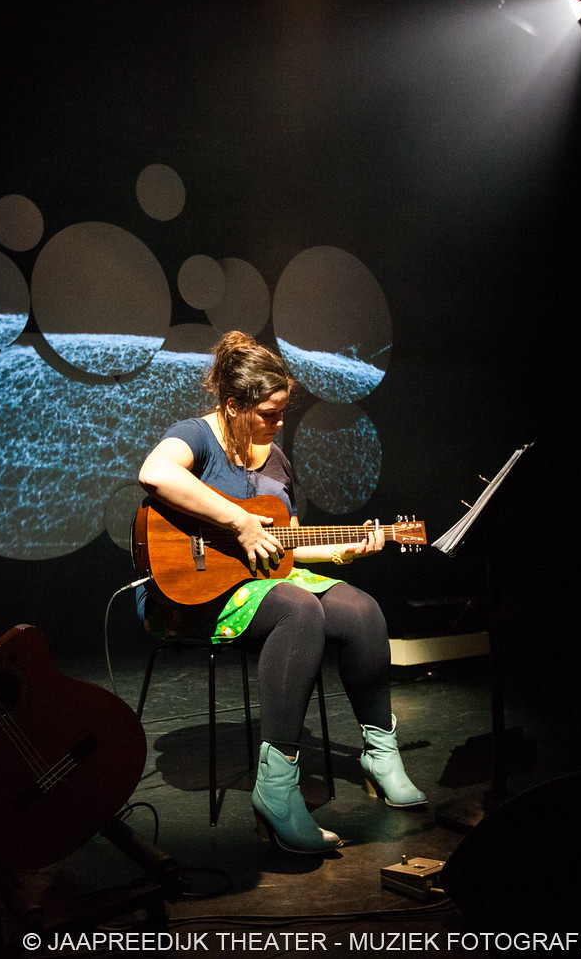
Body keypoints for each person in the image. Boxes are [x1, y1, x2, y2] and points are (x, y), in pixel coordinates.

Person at [136, 331, 424, 853]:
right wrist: (238, 520)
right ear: (233, 405)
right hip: (195, 594)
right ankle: (276, 788)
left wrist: (344, 551)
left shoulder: (274, 459)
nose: (278, 423)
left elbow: (287, 546)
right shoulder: (196, 435)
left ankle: (380, 753)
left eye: (283, 412)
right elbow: (154, 473)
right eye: (268, 413)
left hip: (264, 581)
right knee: (299, 609)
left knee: (361, 610)